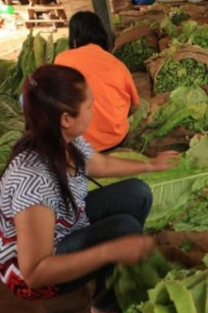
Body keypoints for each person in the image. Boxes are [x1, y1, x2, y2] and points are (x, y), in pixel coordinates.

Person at [0, 65, 179, 313]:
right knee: (125, 230)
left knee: (137, 193)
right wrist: (110, 251)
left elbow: (99, 163)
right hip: (35, 275)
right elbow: (35, 272)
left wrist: (150, 165)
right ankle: (103, 306)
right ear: (66, 119)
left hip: (64, 226)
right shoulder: (33, 182)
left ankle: (111, 275)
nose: (94, 111)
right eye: (90, 106)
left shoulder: (61, 137)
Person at [55, 11, 138, 152]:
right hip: (116, 139)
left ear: (74, 36)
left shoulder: (63, 59)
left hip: (79, 144)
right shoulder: (117, 64)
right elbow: (135, 106)